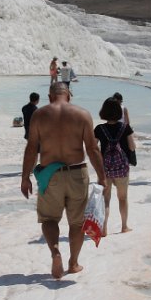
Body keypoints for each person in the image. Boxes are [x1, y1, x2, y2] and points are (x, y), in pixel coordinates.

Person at [21, 82, 106, 279]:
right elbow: (92, 149)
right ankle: (73, 263)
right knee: (76, 224)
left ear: (50, 97)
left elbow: (32, 148)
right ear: (69, 96)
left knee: (49, 219)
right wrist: (102, 176)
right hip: (77, 173)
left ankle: (55, 253)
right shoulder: (82, 114)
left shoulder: (39, 115)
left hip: (51, 175)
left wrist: (25, 178)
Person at [94, 98, 135, 236]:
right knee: (122, 198)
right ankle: (124, 226)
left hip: (105, 168)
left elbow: (93, 148)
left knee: (106, 199)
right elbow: (132, 146)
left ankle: (104, 229)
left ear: (103, 111)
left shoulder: (99, 129)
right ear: (119, 111)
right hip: (122, 169)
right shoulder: (125, 128)